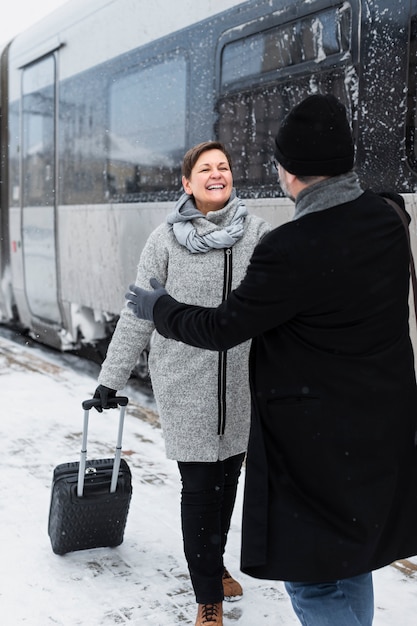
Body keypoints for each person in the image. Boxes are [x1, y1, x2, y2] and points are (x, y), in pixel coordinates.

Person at [125, 95, 417, 626]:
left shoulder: (288, 247)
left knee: (313, 581)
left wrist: (158, 306)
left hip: (316, 443)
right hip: (378, 428)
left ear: (290, 172)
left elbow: (221, 328)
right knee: (352, 559)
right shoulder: (388, 217)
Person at [93, 141, 271, 626]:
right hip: (185, 386)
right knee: (199, 490)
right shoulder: (165, 241)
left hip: (239, 386)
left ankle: (213, 564)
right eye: (205, 169)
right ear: (187, 184)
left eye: (225, 167)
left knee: (229, 483)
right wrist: (110, 379)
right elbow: (138, 314)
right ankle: (207, 595)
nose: (218, 174)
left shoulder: (256, 234)